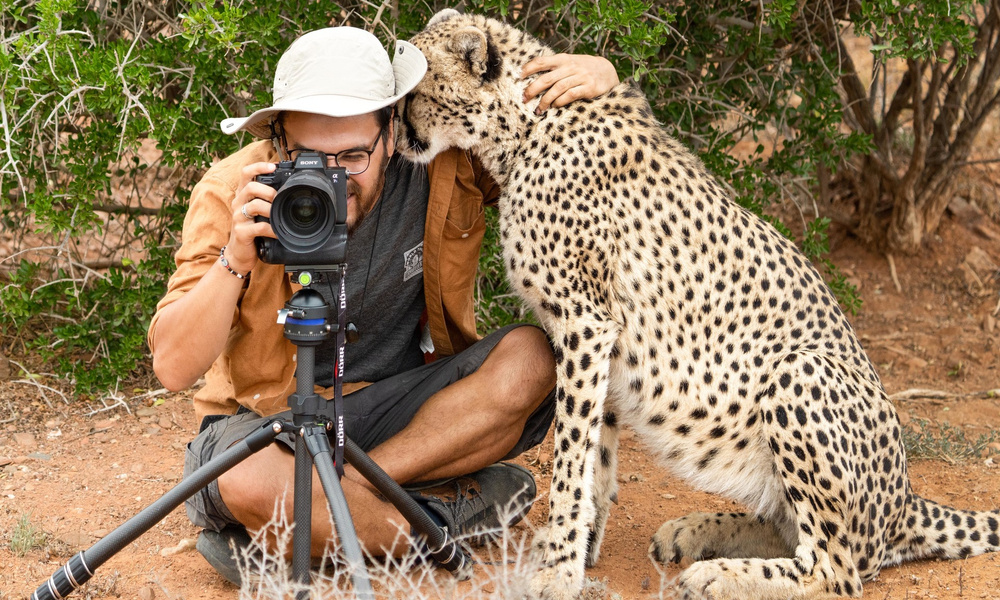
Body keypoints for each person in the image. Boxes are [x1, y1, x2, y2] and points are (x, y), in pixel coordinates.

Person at [147, 23, 619, 583]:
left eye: (352, 156)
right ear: (277, 142)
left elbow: (545, 146)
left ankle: (314, 523)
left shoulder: (440, 164)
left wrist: (601, 83)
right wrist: (234, 259)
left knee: (534, 359)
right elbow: (173, 367)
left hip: (396, 415)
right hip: (270, 423)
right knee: (243, 478)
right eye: (307, 157)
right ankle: (440, 518)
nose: (331, 177)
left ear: (391, 132)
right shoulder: (234, 189)